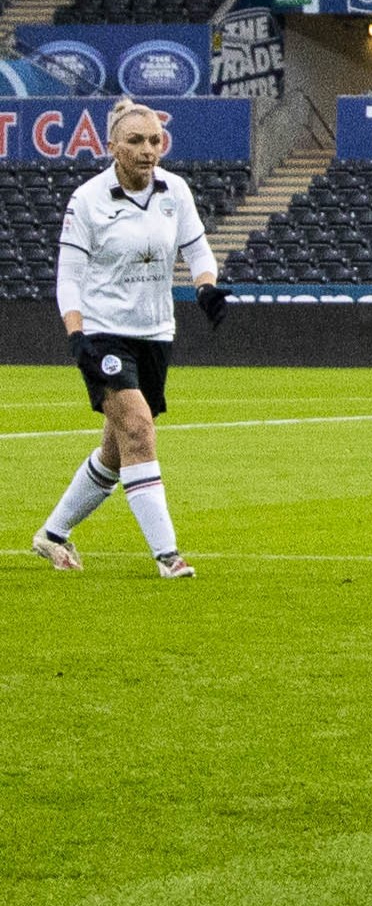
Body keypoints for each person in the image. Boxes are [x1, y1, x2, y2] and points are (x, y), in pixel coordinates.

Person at [31, 101, 229, 578]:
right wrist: (77, 334)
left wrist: (205, 284)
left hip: (155, 333)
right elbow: (68, 279)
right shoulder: (88, 199)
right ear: (112, 146)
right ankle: (168, 556)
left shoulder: (174, 191)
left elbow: (198, 247)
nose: (147, 150)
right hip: (102, 333)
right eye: (136, 141)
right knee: (139, 428)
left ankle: (51, 536)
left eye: (155, 140)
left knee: (117, 452)